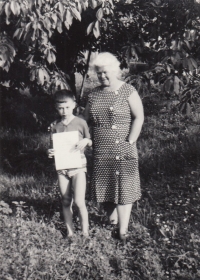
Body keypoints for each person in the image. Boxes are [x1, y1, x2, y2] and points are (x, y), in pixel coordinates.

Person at [84, 52, 144, 240]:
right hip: (101, 149)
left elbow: (139, 117)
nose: (102, 76)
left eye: (106, 72)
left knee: (124, 189)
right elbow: (85, 120)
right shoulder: (94, 94)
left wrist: (131, 140)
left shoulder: (128, 90)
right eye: (99, 73)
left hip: (123, 147)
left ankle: (123, 231)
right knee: (106, 187)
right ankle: (112, 223)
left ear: (115, 70)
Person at [47, 90, 92, 237]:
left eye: (67, 107)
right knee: (66, 200)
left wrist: (86, 141)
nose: (64, 111)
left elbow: (90, 140)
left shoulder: (81, 122)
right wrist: (50, 152)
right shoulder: (55, 126)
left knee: (79, 201)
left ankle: (85, 233)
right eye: (60, 108)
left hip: (78, 167)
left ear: (74, 105)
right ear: (55, 107)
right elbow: (52, 147)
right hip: (62, 168)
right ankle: (70, 232)